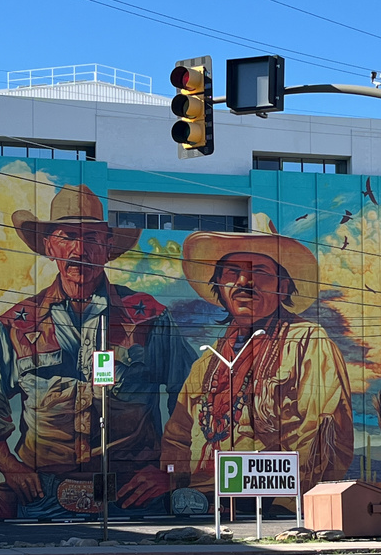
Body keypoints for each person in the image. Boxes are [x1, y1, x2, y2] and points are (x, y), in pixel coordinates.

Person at [0, 184, 195, 519]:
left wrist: (170, 471)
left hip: (132, 499)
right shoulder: (16, 324)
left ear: (108, 247)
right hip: (41, 499)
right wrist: (10, 466)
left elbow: (194, 397)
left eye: (92, 238)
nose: (80, 250)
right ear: (49, 246)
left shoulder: (148, 317)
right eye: (68, 237)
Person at [149, 216, 354, 508]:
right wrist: (173, 484)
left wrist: (286, 505)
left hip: (271, 499)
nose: (244, 282)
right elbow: (177, 437)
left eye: (260, 271)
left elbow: (324, 431)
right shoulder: (209, 361)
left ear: (283, 286)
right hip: (204, 500)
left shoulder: (307, 342)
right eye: (233, 272)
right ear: (218, 285)